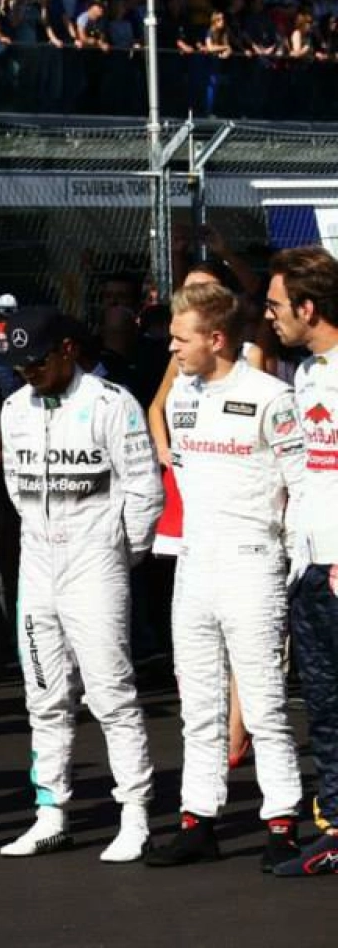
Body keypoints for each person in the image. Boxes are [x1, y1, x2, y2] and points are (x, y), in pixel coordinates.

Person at [145, 282, 304, 871]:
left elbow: (300, 484)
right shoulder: (180, 396)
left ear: (216, 339)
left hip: (252, 562)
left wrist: (294, 559)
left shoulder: (271, 396)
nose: (171, 348)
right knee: (199, 704)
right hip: (195, 563)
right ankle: (197, 820)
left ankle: (282, 822)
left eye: (180, 339)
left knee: (263, 705)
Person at [0, 307, 161, 862]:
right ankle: (50, 813)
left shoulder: (113, 403)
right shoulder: (14, 408)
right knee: (43, 696)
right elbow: (16, 487)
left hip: (96, 562)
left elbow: (144, 489)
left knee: (111, 693)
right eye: (20, 364)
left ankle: (135, 814)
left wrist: (118, 553)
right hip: (37, 562)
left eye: (37, 361)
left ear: (68, 349)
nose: (28, 372)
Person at [263, 245, 338, 877]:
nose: (269, 316)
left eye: (276, 305)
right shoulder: (307, 373)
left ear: (308, 308)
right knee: (324, 704)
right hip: (309, 563)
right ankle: (336, 827)